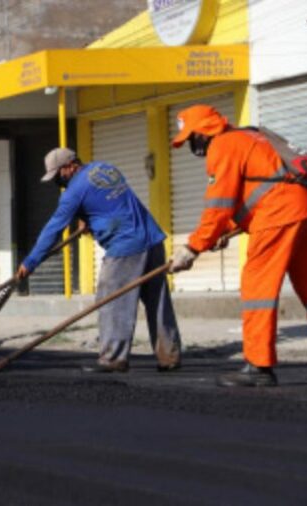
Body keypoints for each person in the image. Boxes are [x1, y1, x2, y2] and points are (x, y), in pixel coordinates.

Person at [169, 104, 307, 387]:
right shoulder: (250, 137)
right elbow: (261, 189)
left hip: (280, 215)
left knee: (257, 289)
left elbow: (219, 205)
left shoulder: (223, 145)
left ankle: (258, 366)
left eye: (191, 138)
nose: (191, 146)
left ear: (202, 132)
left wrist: (193, 247)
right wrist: (226, 230)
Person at [16, 147, 182, 373]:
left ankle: (113, 358)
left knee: (111, 301)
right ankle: (169, 357)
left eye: (58, 176)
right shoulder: (105, 168)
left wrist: (30, 261)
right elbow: (111, 202)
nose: (59, 182)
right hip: (152, 240)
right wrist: (90, 219)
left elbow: (53, 229)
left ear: (70, 166)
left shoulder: (74, 191)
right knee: (158, 301)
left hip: (126, 248)